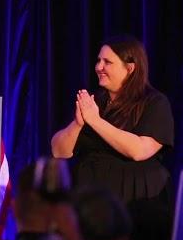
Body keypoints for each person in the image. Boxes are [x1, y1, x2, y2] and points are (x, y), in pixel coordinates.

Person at [51, 34, 174, 205]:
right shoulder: (94, 102)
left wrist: (95, 121)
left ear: (130, 68)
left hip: (136, 201)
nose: (99, 67)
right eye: (98, 60)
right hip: (90, 201)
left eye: (107, 62)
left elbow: (139, 151)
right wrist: (77, 124)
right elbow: (58, 151)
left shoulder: (154, 102)